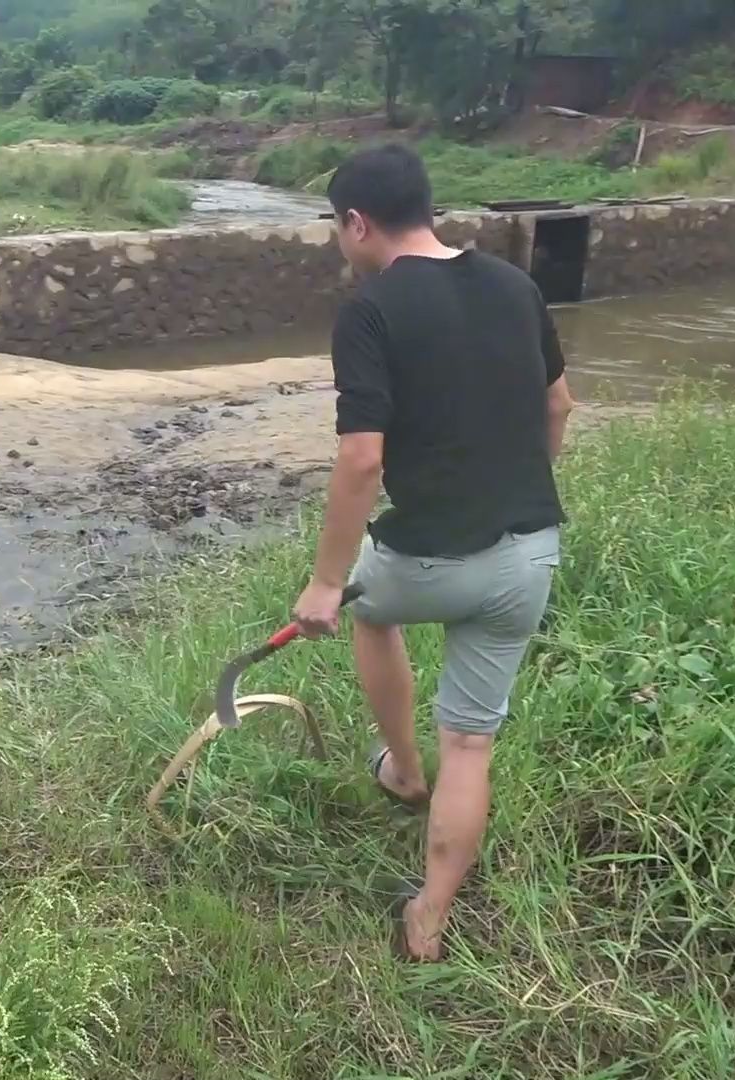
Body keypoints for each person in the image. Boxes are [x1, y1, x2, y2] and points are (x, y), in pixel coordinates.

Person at [291, 144, 576, 962]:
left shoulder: (371, 310)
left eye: (336, 228)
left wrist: (324, 582)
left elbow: (361, 459)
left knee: (369, 612)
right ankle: (431, 915)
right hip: (528, 552)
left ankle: (403, 772)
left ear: (357, 222)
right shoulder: (516, 286)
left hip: (425, 560)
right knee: (474, 744)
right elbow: (560, 406)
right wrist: (515, 480)